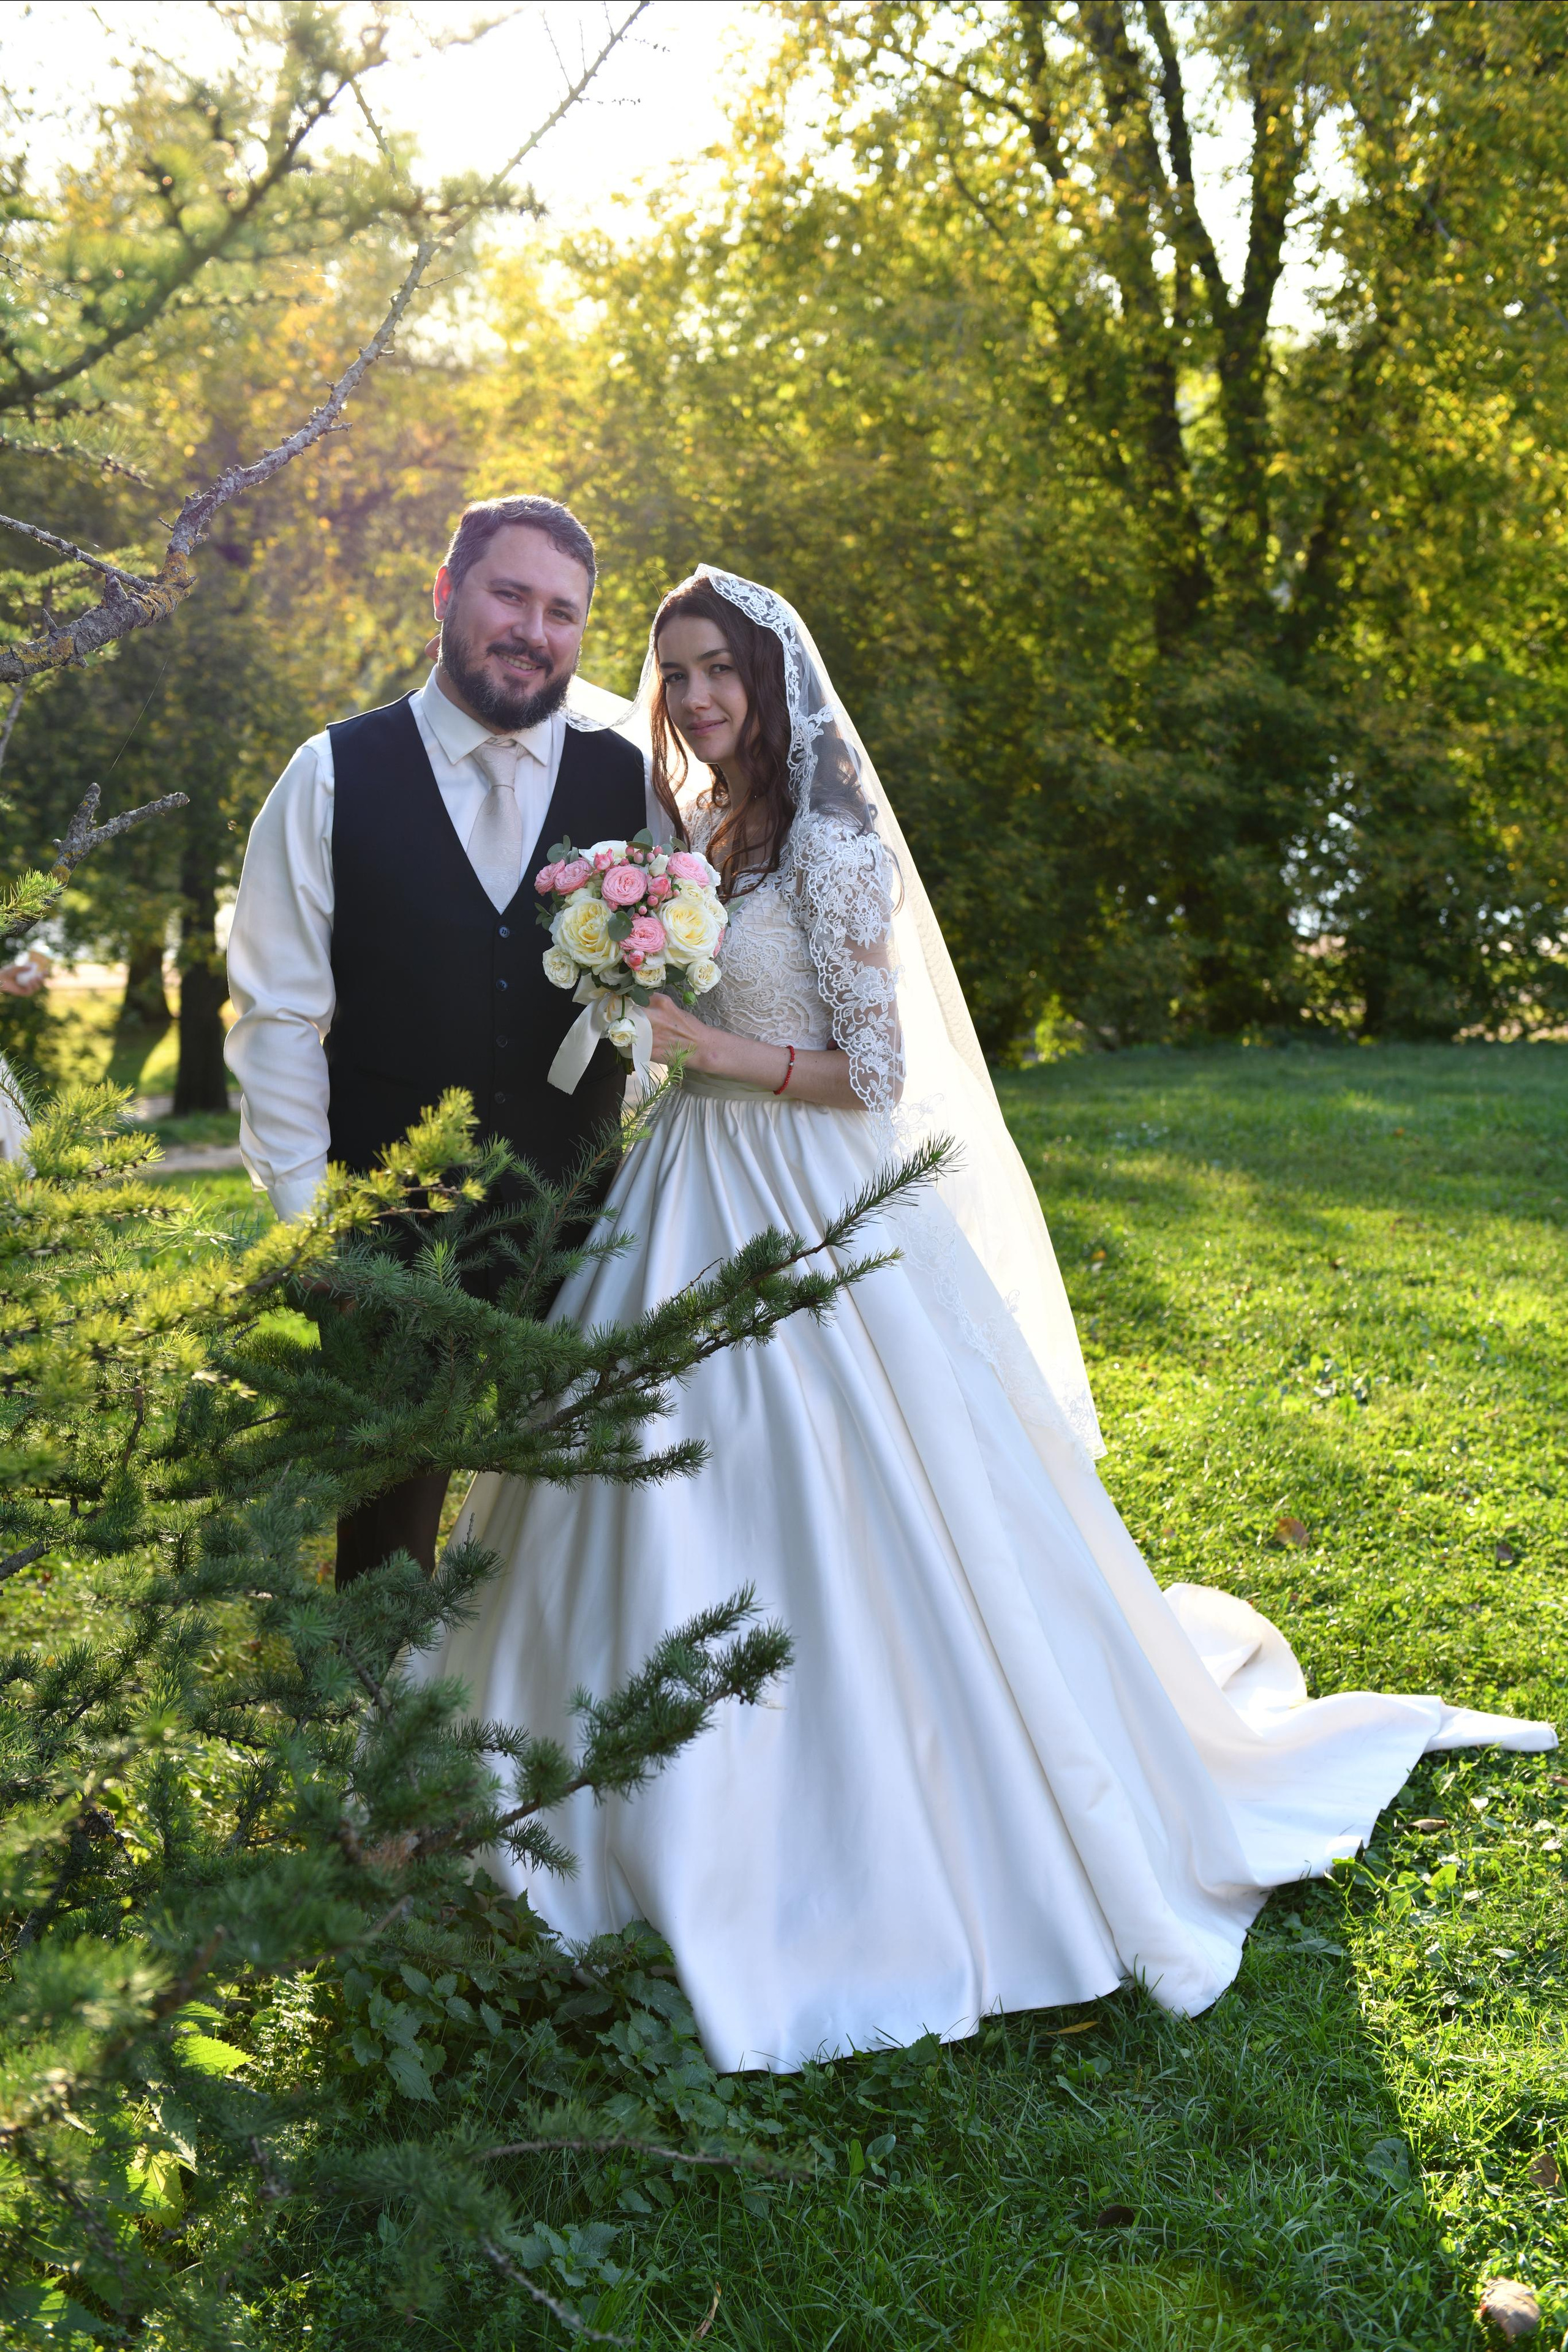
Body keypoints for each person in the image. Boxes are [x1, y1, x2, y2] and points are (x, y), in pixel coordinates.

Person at [412, 567, 1555, 2076]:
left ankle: (865, 1826)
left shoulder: (828, 841)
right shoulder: (685, 842)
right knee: (628, 1464)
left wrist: (713, 1049)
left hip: (805, 1192)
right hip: (681, 1185)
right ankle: (588, 1800)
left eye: (715, 673)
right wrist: (635, 1009)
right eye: (673, 673)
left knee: (842, 1498)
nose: (691, 700)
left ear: (767, 678)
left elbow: (871, 1070)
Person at [225, 496, 647, 1588]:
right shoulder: (329, 774)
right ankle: (379, 1740)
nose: (535, 631)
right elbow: (275, 1020)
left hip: (585, 1224)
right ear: (447, 595)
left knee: (595, 1537)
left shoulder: (635, 780)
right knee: (385, 1552)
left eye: (564, 612)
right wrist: (312, 1230)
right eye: (511, 595)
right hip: (392, 1225)